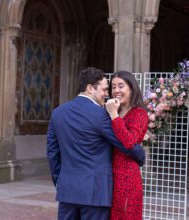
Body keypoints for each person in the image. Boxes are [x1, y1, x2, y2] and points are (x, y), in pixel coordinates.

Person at [46, 67, 145, 220]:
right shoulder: (101, 115)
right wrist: (140, 155)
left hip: (67, 191)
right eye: (105, 89)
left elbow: (53, 154)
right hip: (95, 193)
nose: (107, 94)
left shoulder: (57, 113)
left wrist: (61, 182)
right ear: (90, 88)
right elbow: (124, 144)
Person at [105, 71, 148, 220]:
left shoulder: (139, 113)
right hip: (108, 172)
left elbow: (130, 142)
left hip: (127, 175)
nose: (116, 91)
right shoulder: (111, 110)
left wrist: (114, 115)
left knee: (125, 214)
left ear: (131, 88)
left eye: (121, 86)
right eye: (113, 87)